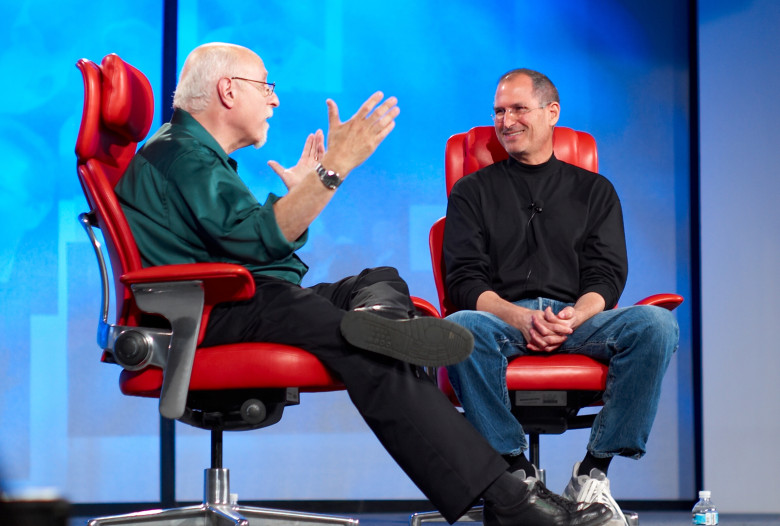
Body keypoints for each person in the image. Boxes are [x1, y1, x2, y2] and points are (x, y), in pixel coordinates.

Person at [115, 44, 613, 526]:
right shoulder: (184, 155)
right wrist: (332, 170)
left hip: (244, 295)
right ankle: (510, 498)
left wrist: (301, 195)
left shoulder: (186, 154)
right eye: (265, 86)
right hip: (217, 307)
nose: (274, 99)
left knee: (378, 280)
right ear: (228, 90)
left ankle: (381, 324)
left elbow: (249, 241)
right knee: (369, 354)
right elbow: (260, 238)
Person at [442, 68, 680, 526]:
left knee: (656, 324)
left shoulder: (595, 191)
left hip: (578, 322)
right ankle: (515, 475)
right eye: (499, 112)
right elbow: (465, 283)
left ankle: (593, 472)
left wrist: (572, 317)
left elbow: (607, 276)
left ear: (552, 112)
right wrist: (520, 318)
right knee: (459, 328)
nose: (506, 121)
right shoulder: (471, 191)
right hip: (502, 322)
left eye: (518, 109)